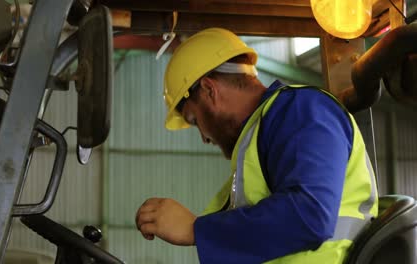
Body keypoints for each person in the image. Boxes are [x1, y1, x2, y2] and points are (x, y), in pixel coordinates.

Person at [135, 27, 378, 264]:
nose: (204, 137)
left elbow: (309, 215)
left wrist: (196, 229)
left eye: (195, 120)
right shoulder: (259, 136)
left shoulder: (301, 110)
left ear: (210, 90)